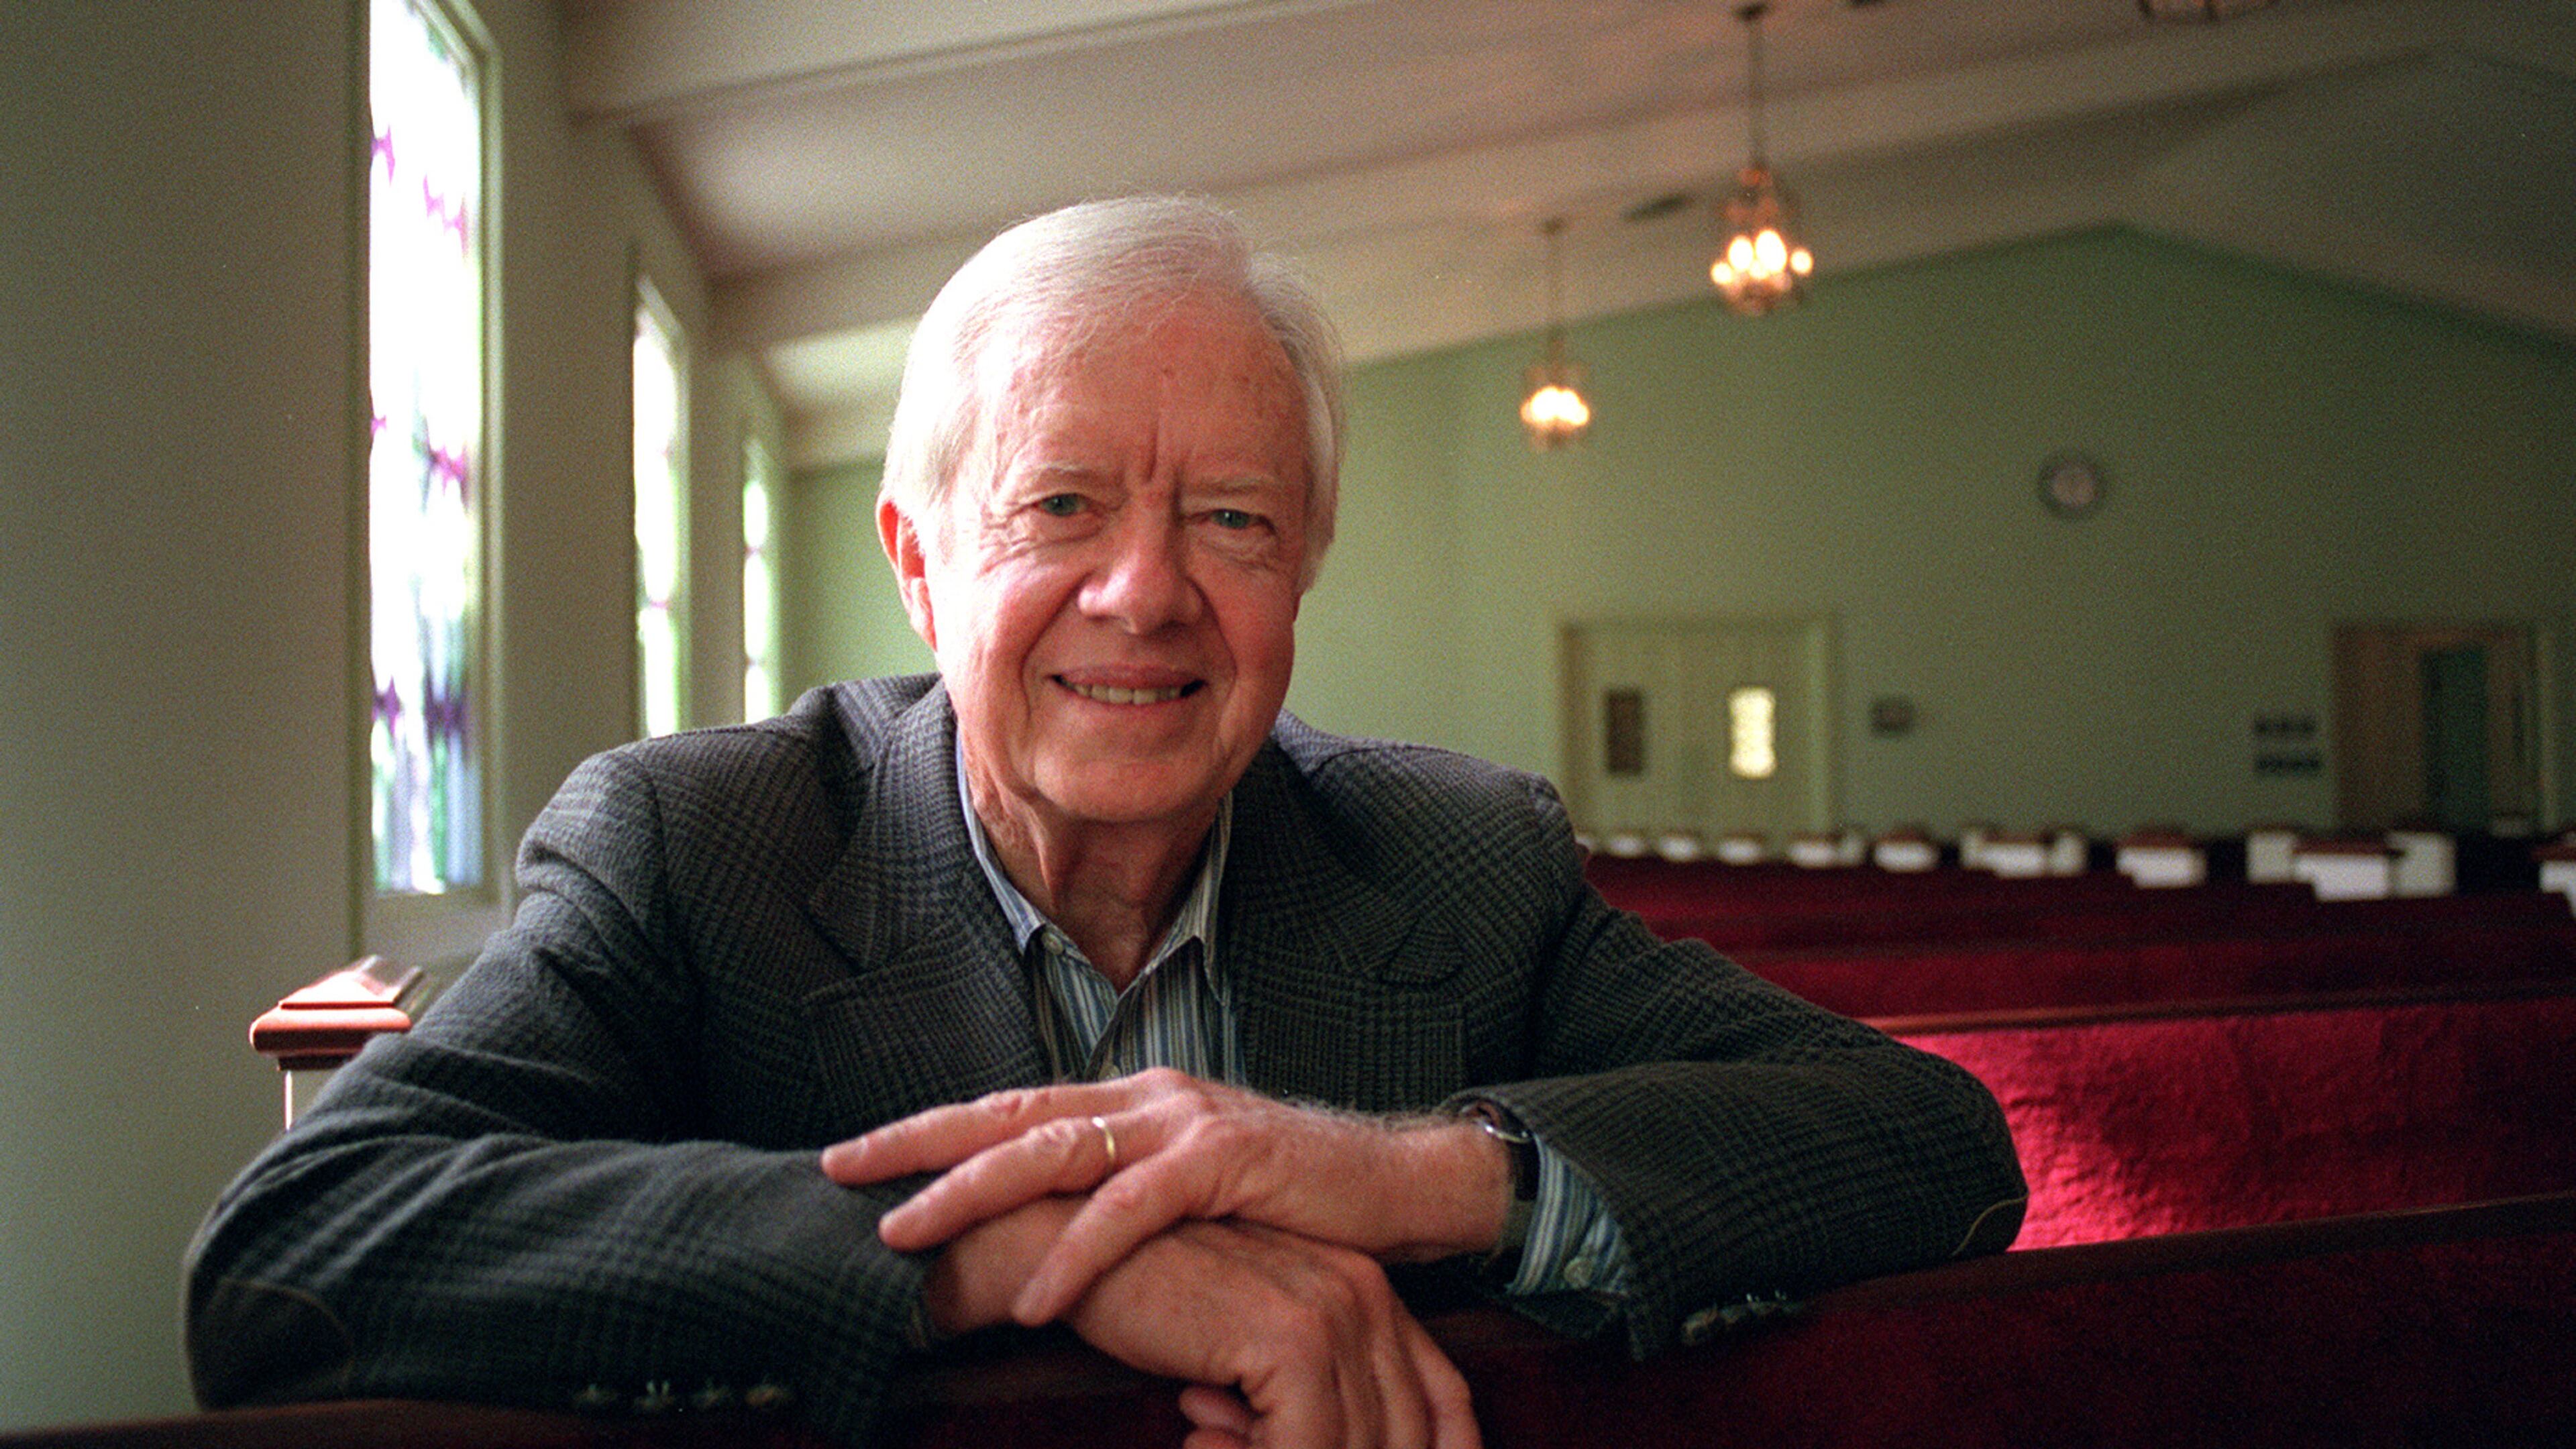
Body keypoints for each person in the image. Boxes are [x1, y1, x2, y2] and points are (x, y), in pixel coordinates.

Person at [187, 196, 2025, 1449]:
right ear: (918, 564)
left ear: (1303, 568)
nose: (1145, 593)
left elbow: (1930, 1141)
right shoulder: (703, 847)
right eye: (1059, 507)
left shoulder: (1461, 862)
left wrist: (1387, 1175)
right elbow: (300, 1253)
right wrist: (1039, 1252)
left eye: (1231, 519)